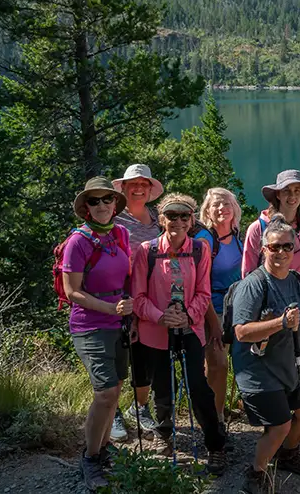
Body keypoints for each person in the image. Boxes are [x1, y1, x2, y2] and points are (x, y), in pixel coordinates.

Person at [131, 193, 227, 473]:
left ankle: (215, 445)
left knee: (198, 387)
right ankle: (164, 434)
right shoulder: (146, 251)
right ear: (162, 220)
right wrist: (161, 317)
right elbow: (137, 297)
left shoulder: (200, 250)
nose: (178, 221)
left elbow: (203, 292)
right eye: (172, 216)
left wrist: (188, 315)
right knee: (163, 386)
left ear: (192, 219)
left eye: (184, 216)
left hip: (189, 330)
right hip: (155, 331)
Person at [231, 214, 300, 494]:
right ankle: (256, 472)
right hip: (258, 370)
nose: (281, 252)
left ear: (295, 249)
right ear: (263, 249)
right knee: (280, 425)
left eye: (287, 247)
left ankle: (287, 454)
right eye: (274, 247)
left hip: (290, 364)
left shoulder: (295, 280)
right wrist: (279, 323)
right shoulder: (254, 284)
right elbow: (241, 332)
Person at [61, 177, 132, 491]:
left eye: (107, 199)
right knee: (104, 393)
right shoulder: (78, 242)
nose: (102, 205)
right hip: (90, 326)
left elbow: (127, 276)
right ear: (86, 208)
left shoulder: (121, 234)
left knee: (115, 390)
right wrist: (110, 309)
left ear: (115, 203)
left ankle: (103, 449)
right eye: (95, 201)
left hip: (119, 323)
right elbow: (71, 291)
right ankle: (90, 458)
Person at [111, 163, 163, 439]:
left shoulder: (156, 219)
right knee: (119, 358)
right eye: (134, 184)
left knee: (146, 357)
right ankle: (113, 412)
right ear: (125, 188)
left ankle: (139, 407)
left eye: (144, 184)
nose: (139, 188)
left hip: (151, 299)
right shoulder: (115, 220)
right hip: (121, 299)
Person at [193, 188, 243, 421]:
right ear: (207, 212)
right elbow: (199, 284)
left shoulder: (237, 238)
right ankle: (215, 419)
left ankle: (216, 408)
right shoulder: (204, 241)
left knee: (224, 364)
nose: (222, 208)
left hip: (237, 309)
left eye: (226, 204)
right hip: (211, 310)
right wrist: (213, 321)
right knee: (218, 364)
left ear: (234, 209)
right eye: (216, 205)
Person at [242, 170, 300, 297]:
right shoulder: (258, 228)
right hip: (267, 301)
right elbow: (248, 273)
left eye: (297, 191)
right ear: (278, 195)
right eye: (286, 191)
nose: (292, 196)